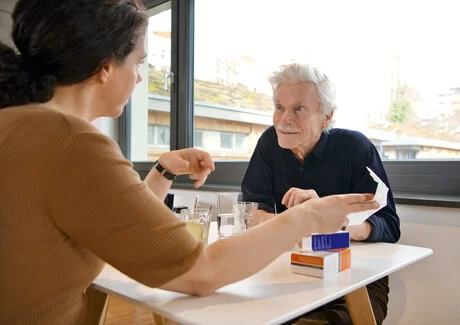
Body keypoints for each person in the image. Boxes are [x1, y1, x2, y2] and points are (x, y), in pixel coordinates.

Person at [0, 2, 381, 325]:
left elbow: (118, 221)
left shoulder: (19, 124)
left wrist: (163, 170)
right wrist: (308, 217)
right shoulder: (74, 143)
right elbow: (201, 273)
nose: (138, 78)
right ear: (105, 67)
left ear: (327, 116)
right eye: (139, 62)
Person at [241, 63, 401, 325]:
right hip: (287, 269)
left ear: (327, 116)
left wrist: (335, 221)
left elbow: (390, 226)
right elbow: (251, 211)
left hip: (354, 278)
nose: (284, 119)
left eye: (299, 109)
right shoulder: (269, 143)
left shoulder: (354, 147)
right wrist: (304, 220)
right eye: (279, 107)